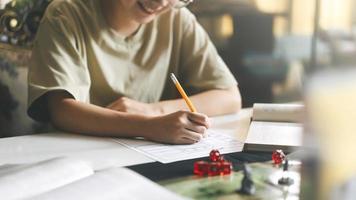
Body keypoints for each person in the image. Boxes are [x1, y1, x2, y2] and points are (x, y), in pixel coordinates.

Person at [27, 0, 242, 144]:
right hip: (79, 152)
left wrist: (154, 111)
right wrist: (148, 126)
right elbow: (62, 111)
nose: (162, 3)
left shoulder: (178, 19)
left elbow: (230, 97)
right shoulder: (66, 14)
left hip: (144, 153)